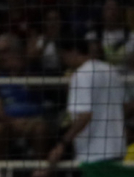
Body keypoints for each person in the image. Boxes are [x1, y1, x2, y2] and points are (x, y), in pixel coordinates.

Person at [50, 34, 126, 167]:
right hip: (117, 148)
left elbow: (84, 116)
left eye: (62, 56)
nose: (63, 61)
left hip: (94, 153)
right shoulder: (111, 70)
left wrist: (62, 144)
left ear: (72, 51)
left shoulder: (81, 75)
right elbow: (128, 106)